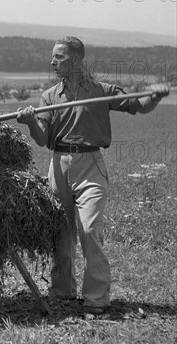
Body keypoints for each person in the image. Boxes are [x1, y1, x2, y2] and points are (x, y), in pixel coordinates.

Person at [16, 36, 168, 315]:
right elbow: (42, 138)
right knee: (60, 231)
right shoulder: (49, 96)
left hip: (91, 165)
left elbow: (138, 105)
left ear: (75, 60)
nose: (52, 62)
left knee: (89, 228)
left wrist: (154, 96)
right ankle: (62, 291)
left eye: (58, 57)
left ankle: (97, 297)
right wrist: (29, 122)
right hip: (59, 163)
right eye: (52, 57)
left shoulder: (102, 91)